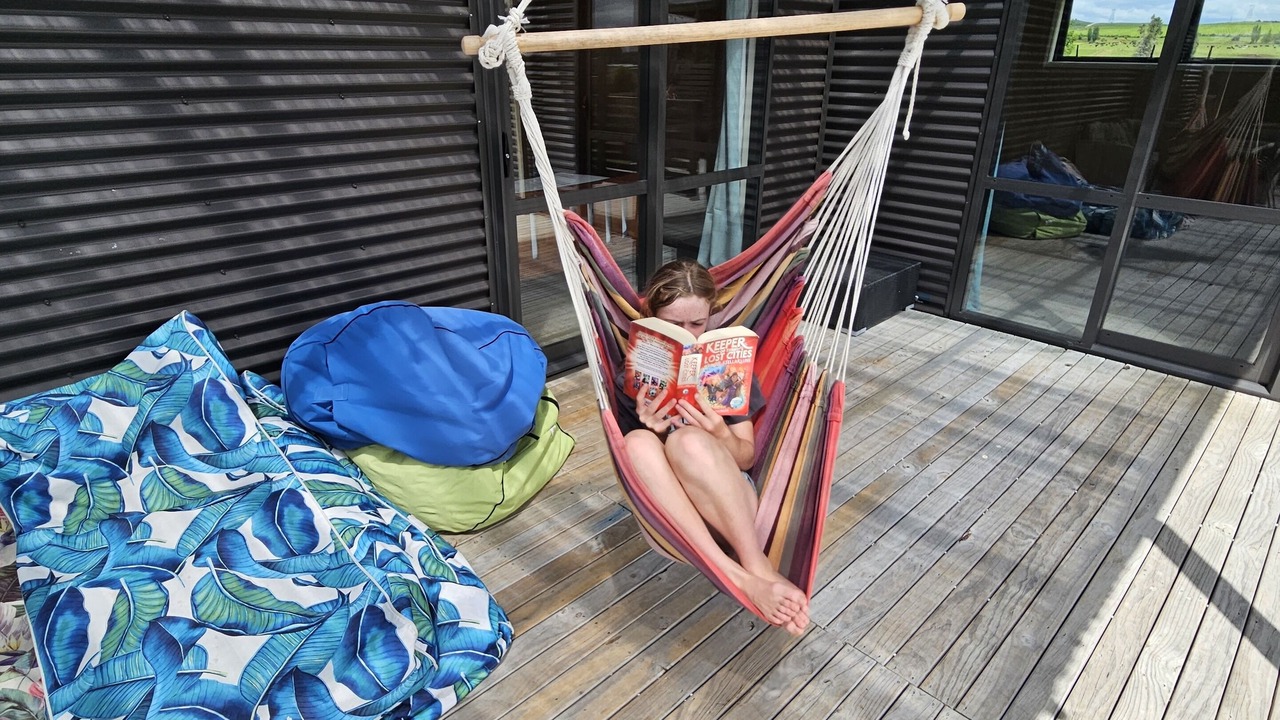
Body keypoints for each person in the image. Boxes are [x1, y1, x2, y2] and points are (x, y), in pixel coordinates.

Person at [618, 259, 810, 636]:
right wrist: (652, 428)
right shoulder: (635, 373)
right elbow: (646, 474)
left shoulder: (730, 369)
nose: (688, 335)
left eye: (697, 324)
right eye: (674, 326)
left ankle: (755, 565)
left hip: (732, 507)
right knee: (636, 443)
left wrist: (721, 434)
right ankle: (741, 575)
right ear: (651, 320)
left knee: (689, 440)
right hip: (677, 517)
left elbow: (747, 456)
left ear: (711, 317)